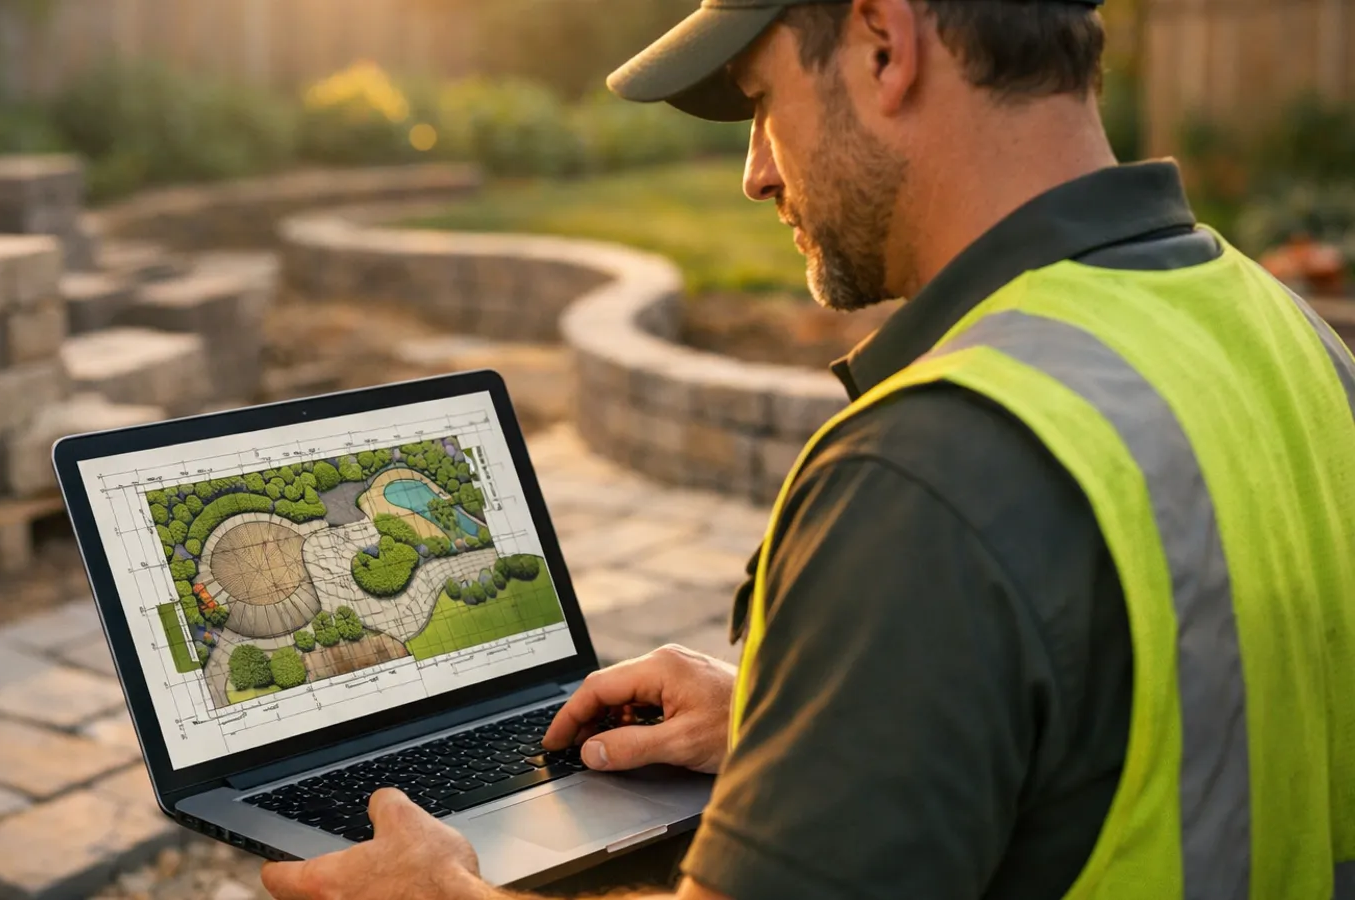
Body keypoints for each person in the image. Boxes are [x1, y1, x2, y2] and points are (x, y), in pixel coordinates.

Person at [261, 0, 1355, 897]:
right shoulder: (1282, 330)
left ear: (884, 42)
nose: (754, 173)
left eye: (758, 102)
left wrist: (441, 894)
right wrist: (836, 722)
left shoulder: (931, 472)